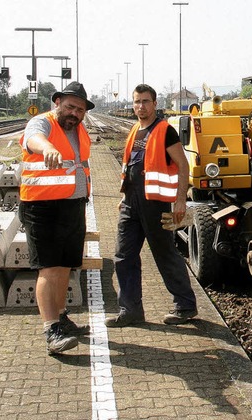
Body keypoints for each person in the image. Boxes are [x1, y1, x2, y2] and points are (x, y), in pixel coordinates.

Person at [105, 84, 197, 327]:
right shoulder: (135, 130)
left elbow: (183, 165)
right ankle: (131, 310)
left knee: (164, 254)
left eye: (145, 101)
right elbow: (131, 167)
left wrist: (180, 200)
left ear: (155, 104)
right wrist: (124, 197)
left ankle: (185, 305)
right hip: (131, 203)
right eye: (137, 102)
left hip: (155, 204)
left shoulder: (164, 130)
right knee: (123, 256)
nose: (141, 106)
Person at [18, 81, 94, 355]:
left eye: (80, 109)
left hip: (72, 206)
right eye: (71, 106)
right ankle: (51, 331)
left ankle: (61, 318)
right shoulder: (43, 123)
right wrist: (46, 148)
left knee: (65, 266)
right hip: (42, 207)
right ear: (58, 102)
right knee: (48, 268)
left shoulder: (80, 129)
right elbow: (33, 139)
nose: (75, 113)